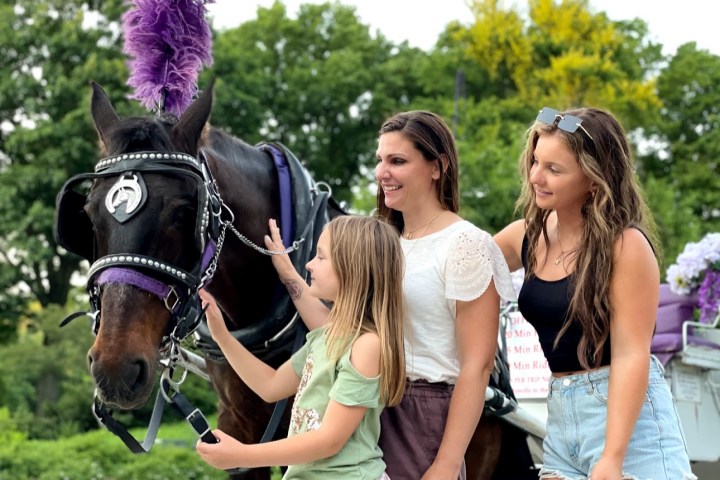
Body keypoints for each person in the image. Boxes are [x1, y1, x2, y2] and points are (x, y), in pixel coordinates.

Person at [264, 110, 517, 479]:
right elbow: (342, 336)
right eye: (380, 160)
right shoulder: (382, 239)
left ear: (437, 167)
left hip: (420, 416)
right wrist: (290, 276)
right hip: (358, 403)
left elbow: (475, 368)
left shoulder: (466, 245)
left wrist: (447, 462)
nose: (383, 172)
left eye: (397, 161)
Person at [494, 106, 696, 480]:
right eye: (536, 161)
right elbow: (460, 270)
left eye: (554, 169)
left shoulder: (625, 246)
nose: (537, 176)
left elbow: (633, 353)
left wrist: (612, 457)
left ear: (594, 179)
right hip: (561, 417)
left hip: (628, 427)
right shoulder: (526, 235)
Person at [196, 215, 406, 479]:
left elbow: (329, 440)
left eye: (320, 257)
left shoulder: (367, 346)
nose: (309, 264)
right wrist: (222, 337)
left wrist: (241, 455)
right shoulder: (324, 338)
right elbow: (270, 386)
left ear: (352, 268)